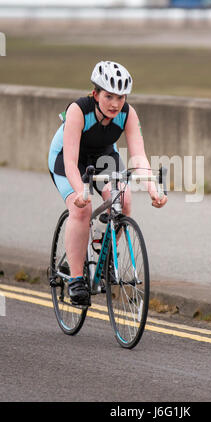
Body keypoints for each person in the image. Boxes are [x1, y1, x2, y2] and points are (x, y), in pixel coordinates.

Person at [48, 60, 167, 304]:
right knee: (82, 209)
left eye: (120, 97)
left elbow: (138, 155)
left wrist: (154, 190)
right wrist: (81, 192)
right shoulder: (78, 111)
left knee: (123, 201)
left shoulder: (128, 114)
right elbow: (70, 161)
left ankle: (105, 251)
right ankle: (77, 279)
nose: (115, 104)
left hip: (103, 156)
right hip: (68, 158)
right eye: (109, 96)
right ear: (95, 94)